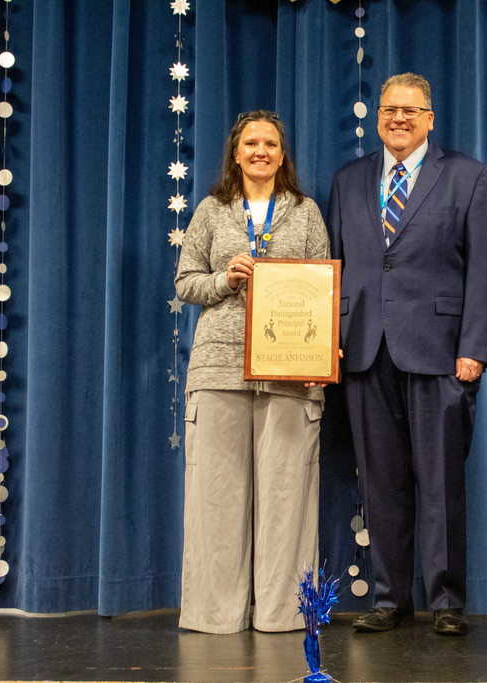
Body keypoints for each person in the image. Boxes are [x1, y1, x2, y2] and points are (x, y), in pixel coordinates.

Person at [327, 74, 487, 635]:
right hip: (363, 352)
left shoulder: (468, 176)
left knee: (441, 484)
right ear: (377, 117)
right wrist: (328, 338)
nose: (398, 119)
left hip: (441, 354)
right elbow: (332, 269)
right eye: (389, 110)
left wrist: (473, 348)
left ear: (430, 118)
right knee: (381, 485)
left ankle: (446, 602)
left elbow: (486, 270)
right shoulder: (348, 181)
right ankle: (389, 599)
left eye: (410, 110)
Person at [175, 110, 328, 633]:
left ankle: (285, 615)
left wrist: (320, 358)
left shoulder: (306, 213)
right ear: (236, 154)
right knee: (216, 497)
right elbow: (185, 282)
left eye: (270, 144)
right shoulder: (210, 210)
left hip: (290, 373)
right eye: (251, 144)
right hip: (219, 369)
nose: (260, 151)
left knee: (288, 498)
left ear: (282, 156)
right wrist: (224, 279)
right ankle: (215, 615)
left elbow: (323, 288)